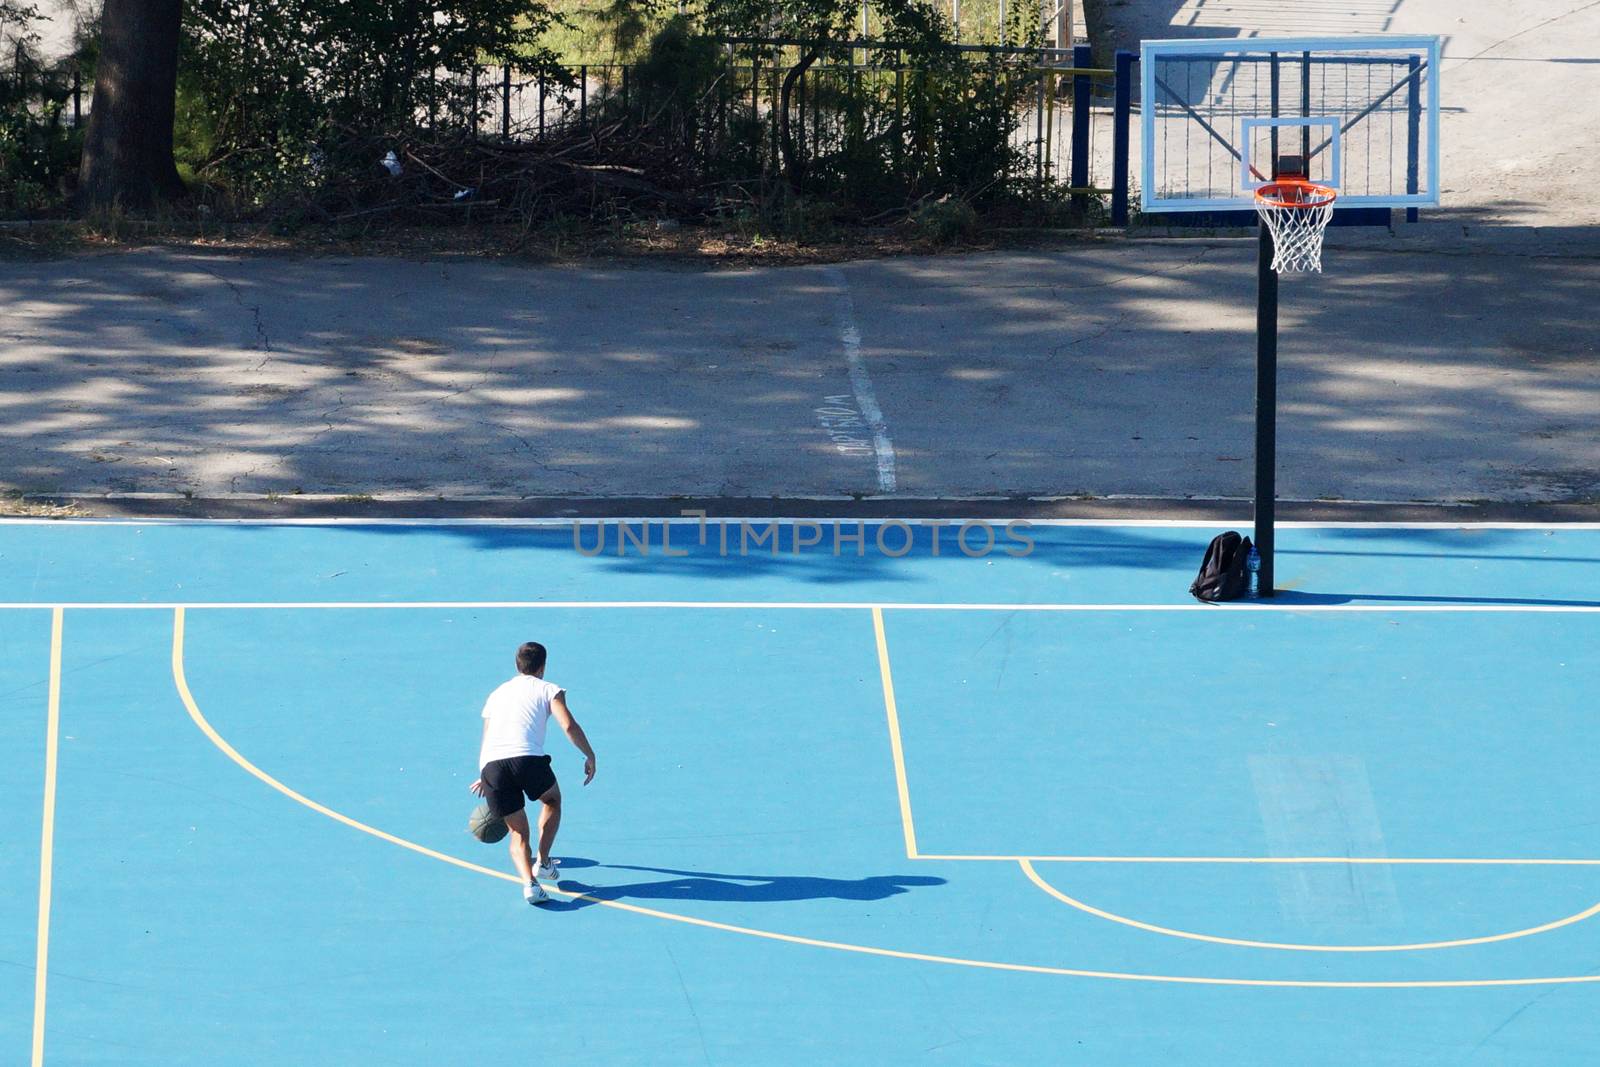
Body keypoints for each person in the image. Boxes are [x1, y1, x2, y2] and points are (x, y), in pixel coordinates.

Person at [470, 641, 596, 904]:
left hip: (492, 764)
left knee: (517, 833)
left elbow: (487, 736)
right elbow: (568, 724)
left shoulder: (496, 694)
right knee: (552, 800)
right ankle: (544, 861)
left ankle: (530, 884)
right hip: (527, 759)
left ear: (517, 665)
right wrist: (589, 754)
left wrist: (484, 773)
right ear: (542, 667)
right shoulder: (549, 689)